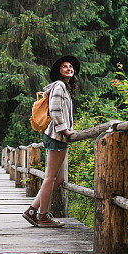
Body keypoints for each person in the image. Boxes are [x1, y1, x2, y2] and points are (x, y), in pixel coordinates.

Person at [22, 55, 79, 228]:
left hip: (56, 136)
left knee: (59, 178)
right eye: (65, 67)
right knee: (50, 177)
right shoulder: (60, 86)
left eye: (71, 67)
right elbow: (54, 111)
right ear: (59, 71)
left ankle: (32, 210)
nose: (69, 68)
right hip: (57, 136)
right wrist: (65, 130)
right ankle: (43, 217)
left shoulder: (63, 87)